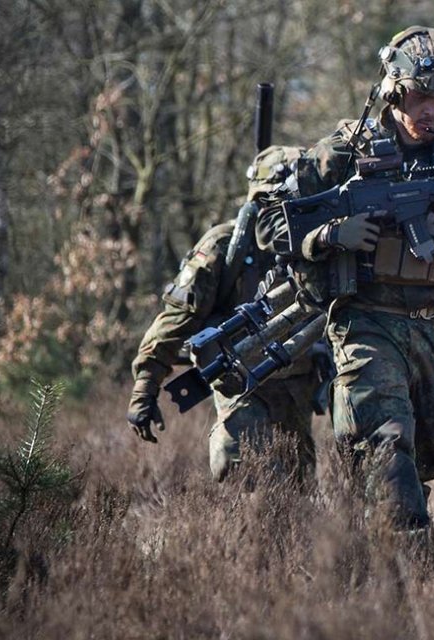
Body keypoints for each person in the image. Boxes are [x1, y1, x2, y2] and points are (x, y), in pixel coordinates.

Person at [255, 27, 434, 529]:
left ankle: (375, 530)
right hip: (368, 322)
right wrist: (331, 235)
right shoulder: (345, 152)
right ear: (395, 91)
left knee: (432, 453)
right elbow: (269, 223)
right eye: (423, 96)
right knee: (384, 440)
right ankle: (407, 561)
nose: (433, 110)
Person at [127, 144, 323, 483]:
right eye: (274, 202)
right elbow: (176, 320)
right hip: (239, 382)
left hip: (298, 386)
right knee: (241, 470)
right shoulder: (223, 247)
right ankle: (232, 534)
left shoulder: (319, 245)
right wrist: (145, 387)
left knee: (297, 488)